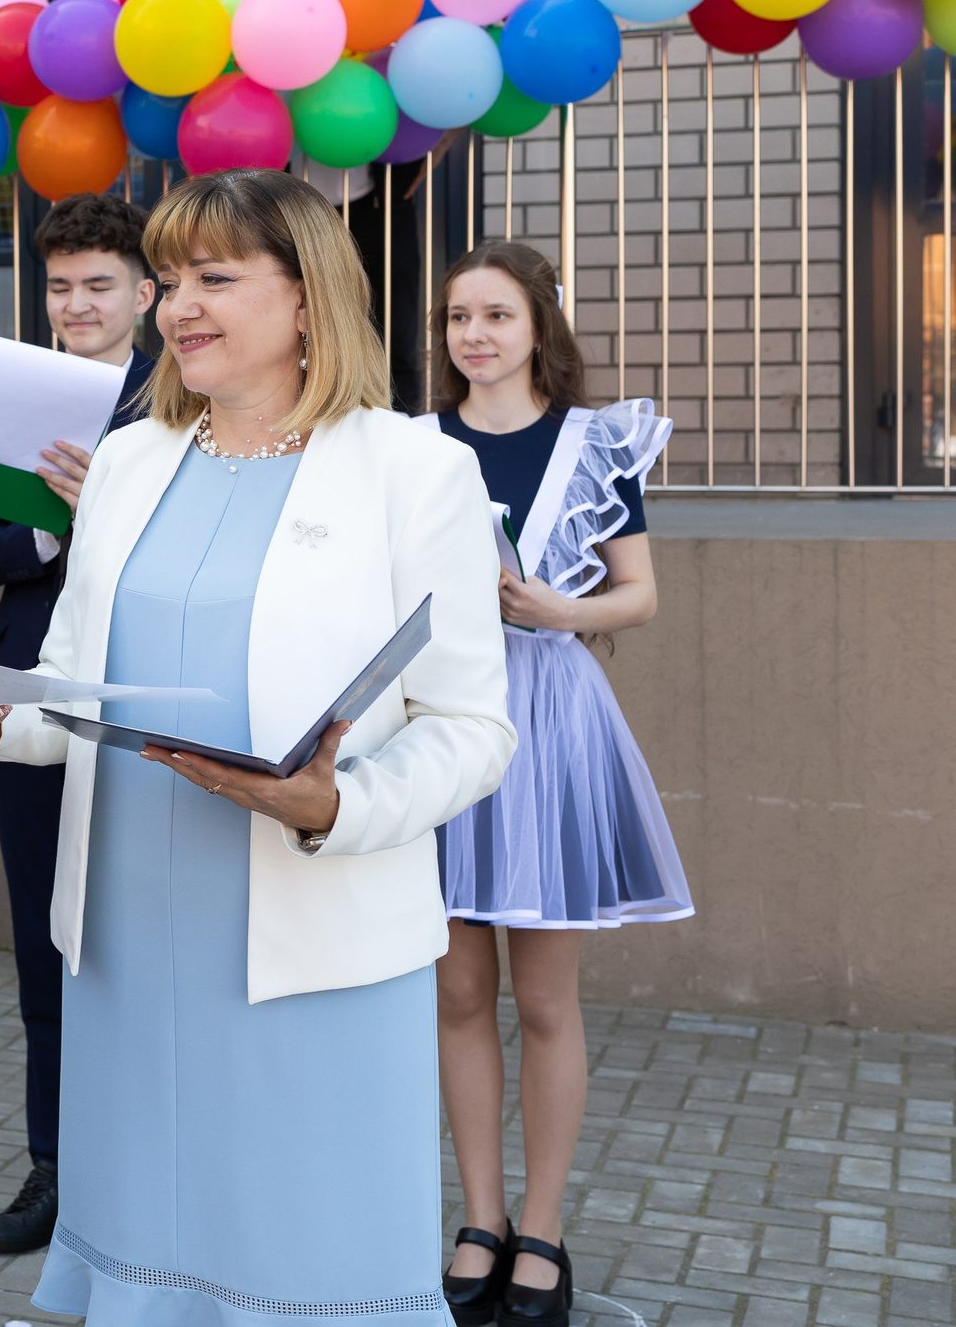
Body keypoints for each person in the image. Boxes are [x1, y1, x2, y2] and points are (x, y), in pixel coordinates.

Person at [0, 167, 513, 1327]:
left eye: (215, 278)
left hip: (311, 939)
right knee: (154, 1240)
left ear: (306, 297)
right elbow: (73, 679)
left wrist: (339, 807)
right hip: (129, 940)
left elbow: (471, 728)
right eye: (171, 278)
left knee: (308, 1254)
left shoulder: (413, 469)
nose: (179, 305)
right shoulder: (129, 462)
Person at [423, 242, 690, 1327]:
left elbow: (639, 593)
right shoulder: (414, 445)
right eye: (458, 317)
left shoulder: (595, 443)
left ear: (539, 323)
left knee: (542, 999)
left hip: (550, 719)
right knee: (454, 993)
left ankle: (543, 1228)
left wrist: (558, 612)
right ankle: (479, 1219)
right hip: (442, 717)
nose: (474, 335)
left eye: (496, 314)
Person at [0, 191, 156, 1255]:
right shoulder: (15, 392)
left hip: (151, 687)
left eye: (99, 285)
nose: (77, 304)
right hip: (32, 684)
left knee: (156, 934)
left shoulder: (187, 393)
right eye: (61, 285)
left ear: (146, 293)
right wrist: (50, 534)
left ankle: (154, 1164)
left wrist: (106, 516)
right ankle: (56, 1168)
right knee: (45, 937)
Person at [292, 0, 431, 410]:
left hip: (377, 205)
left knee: (390, 342)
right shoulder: (288, 3)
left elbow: (432, 100)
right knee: (300, 346)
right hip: (295, 211)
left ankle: (400, 445)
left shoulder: (390, 7)